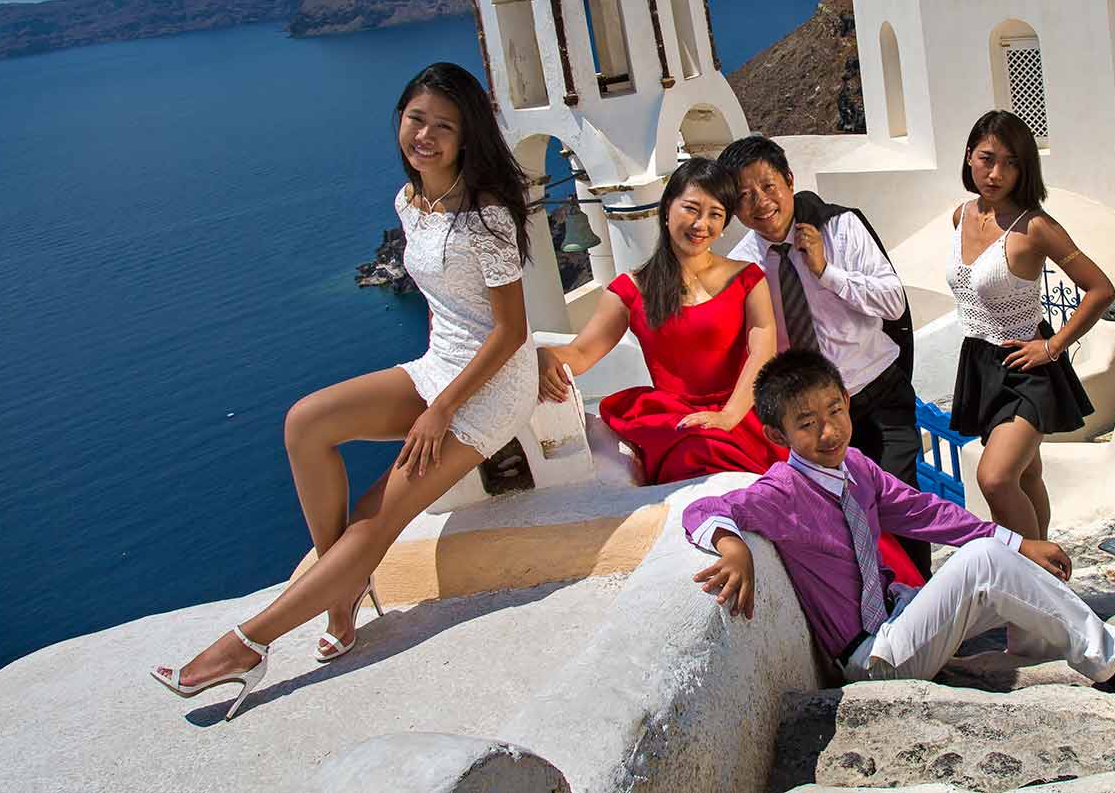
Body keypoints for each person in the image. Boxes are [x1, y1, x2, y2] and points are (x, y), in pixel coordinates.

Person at [151, 62, 544, 720]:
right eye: (416, 119)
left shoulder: (488, 217)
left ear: (467, 137)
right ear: (399, 120)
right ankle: (345, 586)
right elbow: (450, 308)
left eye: (444, 127)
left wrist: (442, 411)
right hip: (438, 365)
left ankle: (246, 644)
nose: (426, 135)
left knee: (376, 514)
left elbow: (508, 333)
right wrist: (432, 393)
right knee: (306, 423)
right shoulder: (408, 201)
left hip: (489, 387)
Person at [682, 350, 1115, 692]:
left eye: (834, 410)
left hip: (902, 613)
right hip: (874, 656)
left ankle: (1034, 648)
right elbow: (700, 509)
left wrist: (1020, 544)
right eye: (807, 424)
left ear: (847, 401)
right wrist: (733, 546)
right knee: (983, 562)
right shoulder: (782, 491)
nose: (828, 431)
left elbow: (926, 512)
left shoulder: (856, 466)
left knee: (1002, 556)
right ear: (777, 433)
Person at [718, 134, 931, 576]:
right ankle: (875, 618)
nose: (760, 202)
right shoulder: (742, 266)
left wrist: (825, 272)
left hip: (877, 394)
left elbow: (893, 302)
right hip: (815, 418)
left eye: (768, 186)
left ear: (790, 181)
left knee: (901, 505)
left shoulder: (841, 227)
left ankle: (924, 609)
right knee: (839, 521)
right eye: (744, 195)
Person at [536, 158, 781, 484]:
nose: (701, 224)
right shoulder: (631, 290)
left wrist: (729, 416)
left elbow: (763, 351)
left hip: (745, 415)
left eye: (715, 215)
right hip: (683, 428)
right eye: (692, 209)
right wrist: (546, 355)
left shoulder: (747, 279)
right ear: (667, 210)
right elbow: (581, 353)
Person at [947, 110, 1115, 541]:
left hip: (1027, 367)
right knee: (1026, 476)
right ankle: (1048, 584)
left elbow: (1100, 289)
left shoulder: (1036, 227)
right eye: (987, 158)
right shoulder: (959, 216)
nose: (996, 172)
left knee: (996, 478)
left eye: (1011, 162)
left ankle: (1035, 575)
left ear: (1025, 168)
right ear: (969, 157)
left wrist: (1053, 346)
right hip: (981, 364)